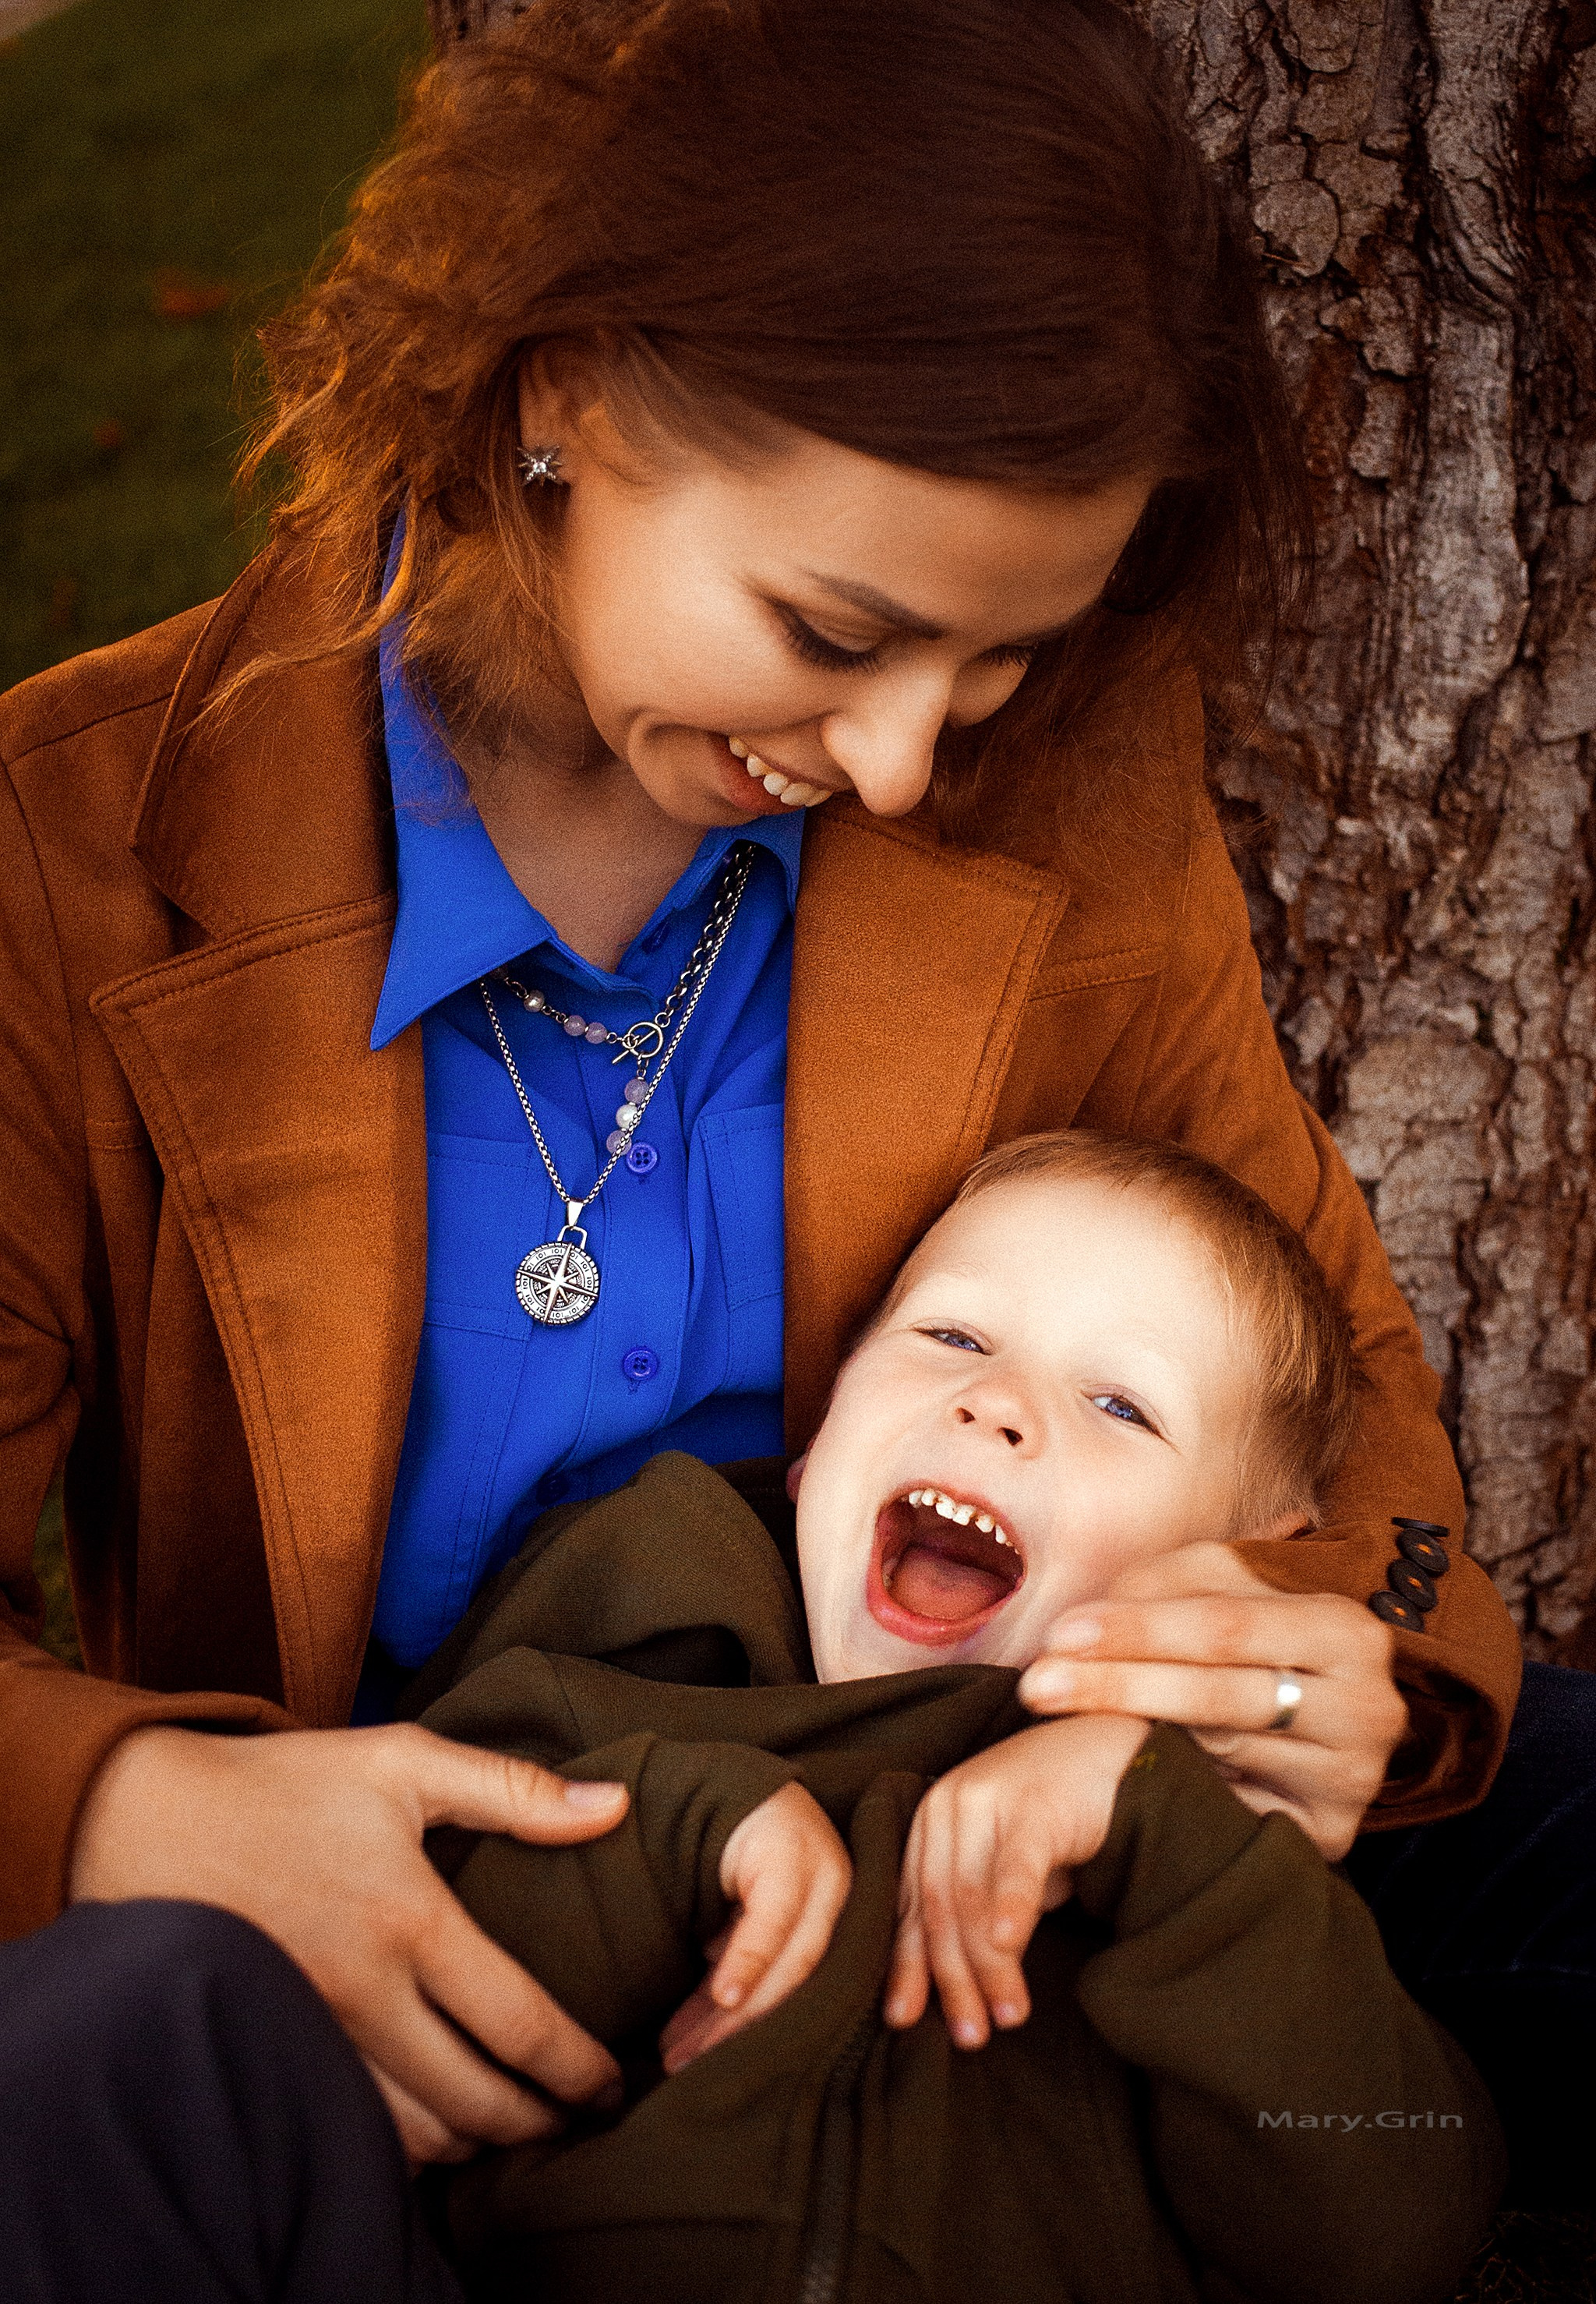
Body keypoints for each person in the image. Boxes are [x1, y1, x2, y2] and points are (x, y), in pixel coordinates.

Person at [0, 1, 1579, 2293]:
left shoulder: (1063, 788)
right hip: (418, 1932)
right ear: (566, 399)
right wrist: (136, 1802)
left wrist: (1332, 1648)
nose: (915, 761)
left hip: (999, 1854)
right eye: (835, 630)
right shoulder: (60, 849)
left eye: (999, 663)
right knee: (109, 2050)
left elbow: (1347, 1381)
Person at [398, 1129, 1503, 2302]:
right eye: (953, 1337)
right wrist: (684, 1832)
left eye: (1122, 1405)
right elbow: (408, 1935)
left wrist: (1162, 1834)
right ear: (823, 1431)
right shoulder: (630, 1616)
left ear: (1230, 1572)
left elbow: (1397, 2229)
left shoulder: (1208, 1855)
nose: (995, 1404)